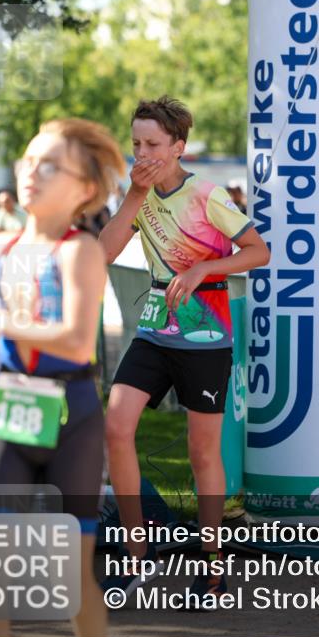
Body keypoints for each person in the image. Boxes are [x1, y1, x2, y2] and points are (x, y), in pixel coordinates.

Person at [0, 118, 125, 637]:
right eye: (27, 160)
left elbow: (74, 340)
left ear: (85, 189)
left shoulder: (79, 252)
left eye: (49, 164)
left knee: (70, 572)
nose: (30, 173)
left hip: (73, 416)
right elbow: (14, 319)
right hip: (11, 408)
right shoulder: (1, 248)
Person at [97, 96, 270, 601]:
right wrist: (132, 196)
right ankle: (136, 556)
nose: (142, 153)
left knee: (201, 452)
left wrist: (202, 270)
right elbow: (105, 252)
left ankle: (212, 561)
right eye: (135, 144)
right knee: (116, 427)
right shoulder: (137, 192)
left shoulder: (208, 195)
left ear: (178, 147)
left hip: (206, 336)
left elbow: (259, 251)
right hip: (154, 329)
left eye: (152, 144)